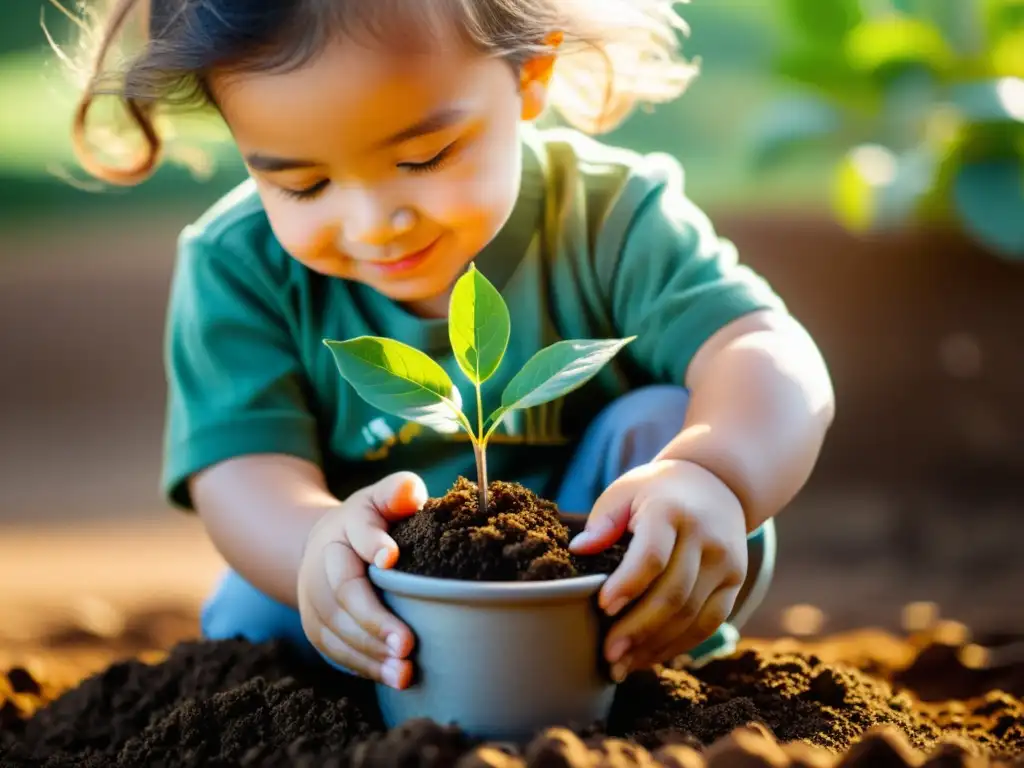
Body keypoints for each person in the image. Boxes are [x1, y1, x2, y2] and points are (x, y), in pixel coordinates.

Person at [65, 0, 834, 692]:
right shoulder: (238, 265)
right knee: (247, 615)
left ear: (529, 75)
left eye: (422, 158)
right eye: (303, 185)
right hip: (382, 603)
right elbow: (240, 471)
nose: (373, 223)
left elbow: (764, 349)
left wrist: (713, 475)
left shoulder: (610, 220)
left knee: (663, 423)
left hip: (599, 591)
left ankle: (636, 671)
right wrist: (315, 545)